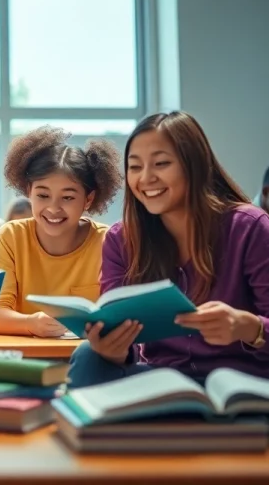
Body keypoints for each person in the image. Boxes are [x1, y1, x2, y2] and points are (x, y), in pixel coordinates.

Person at [68, 111, 269, 388]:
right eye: (135, 167)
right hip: (162, 381)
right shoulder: (121, 239)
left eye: (161, 163)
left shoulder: (250, 227)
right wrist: (112, 349)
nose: (146, 178)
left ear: (194, 166)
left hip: (243, 381)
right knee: (89, 355)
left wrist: (250, 328)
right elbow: (119, 332)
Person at [0, 126, 123, 338]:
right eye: (43, 195)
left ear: (88, 199)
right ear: (28, 192)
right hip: (23, 360)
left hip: (89, 357)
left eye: (67, 198)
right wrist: (30, 324)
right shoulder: (10, 237)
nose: (53, 208)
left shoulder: (108, 241)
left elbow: (119, 315)